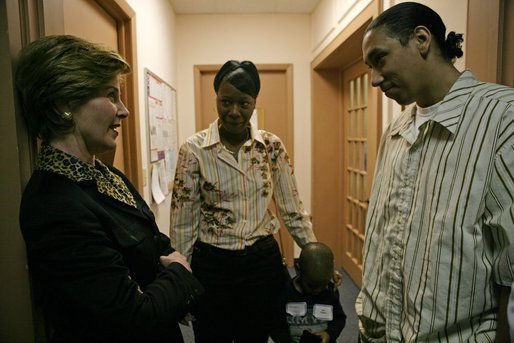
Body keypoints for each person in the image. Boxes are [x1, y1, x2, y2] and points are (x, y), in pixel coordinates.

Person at [16, 35, 204, 342]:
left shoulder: (106, 174)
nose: (124, 110)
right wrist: (180, 273)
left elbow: (155, 242)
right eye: (110, 95)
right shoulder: (54, 206)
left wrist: (161, 282)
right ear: (65, 104)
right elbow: (133, 318)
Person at [357, 2, 514, 342]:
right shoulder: (396, 130)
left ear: (422, 39)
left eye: (380, 59)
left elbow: (511, 264)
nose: (374, 79)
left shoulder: (501, 117)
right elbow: (382, 237)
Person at [169, 60, 317, 342]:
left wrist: (314, 255)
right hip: (212, 266)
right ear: (216, 98)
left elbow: (292, 209)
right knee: (213, 336)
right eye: (226, 102)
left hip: (261, 263)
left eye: (244, 103)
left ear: (254, 103)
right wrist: (179, 279)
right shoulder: (194, 149)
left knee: (256, 335)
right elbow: (183, 221)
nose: (234, 112)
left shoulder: (271, 147)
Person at [270, 242, 346, 343]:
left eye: (324, 285)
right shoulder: (285, 293)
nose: (318, 290)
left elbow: (339, 319)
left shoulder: (330, 292)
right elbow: (276, 326)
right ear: (298, 270)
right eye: (312, 286)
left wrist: (329, 334)